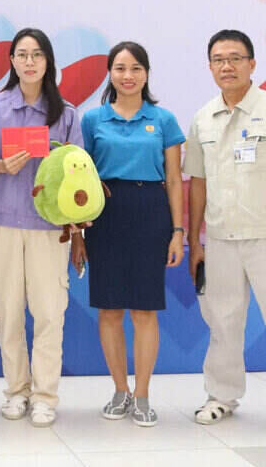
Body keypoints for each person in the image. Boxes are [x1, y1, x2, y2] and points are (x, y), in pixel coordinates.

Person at [184, 29, 266, 438]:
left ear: (252, 64)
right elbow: (198, 184)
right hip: (221, 240)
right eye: (219, 59)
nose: (227, 66)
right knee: (222, 323)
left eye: (235, 58)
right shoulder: (203, 117)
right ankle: (222, 395)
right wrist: (194, 241)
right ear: (209, 67)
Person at [0, 28, 84, 428]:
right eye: (21, 54)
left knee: (48, 312)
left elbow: (79, 174)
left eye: (36, 55)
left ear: (48, 62)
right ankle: (16, 390)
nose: (29, 62)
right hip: (4, 222)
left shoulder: (67, 114)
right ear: (11, 60)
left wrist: (76, 229)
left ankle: (44, 395)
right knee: (7, 311)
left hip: (50, 228)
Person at [80, 41, 186, 426]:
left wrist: (178, 230)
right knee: (109, 308)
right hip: (104, 215)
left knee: (144, 309)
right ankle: (120, 390)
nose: (128, 76)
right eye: (121, 68)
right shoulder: (92, 120)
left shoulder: (164, 119)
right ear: (110, 73)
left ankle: (142, 394)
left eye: (136, 68)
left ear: (146, 73)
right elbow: (80, 175)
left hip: (150, 212)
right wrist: (77, 229)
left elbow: (174, 179)